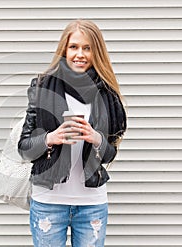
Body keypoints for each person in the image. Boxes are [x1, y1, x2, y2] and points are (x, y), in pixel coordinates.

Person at [18, 19, 127, 247]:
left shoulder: (107, 93)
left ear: (96, 52)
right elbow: (24, 148)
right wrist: (51, 138)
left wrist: (96, 138)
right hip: (48, 202)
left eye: (87, 48)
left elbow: (109, 155)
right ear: (64, 50)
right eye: (74, 47)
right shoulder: (42, 86)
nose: (80, 54)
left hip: (92, 204)